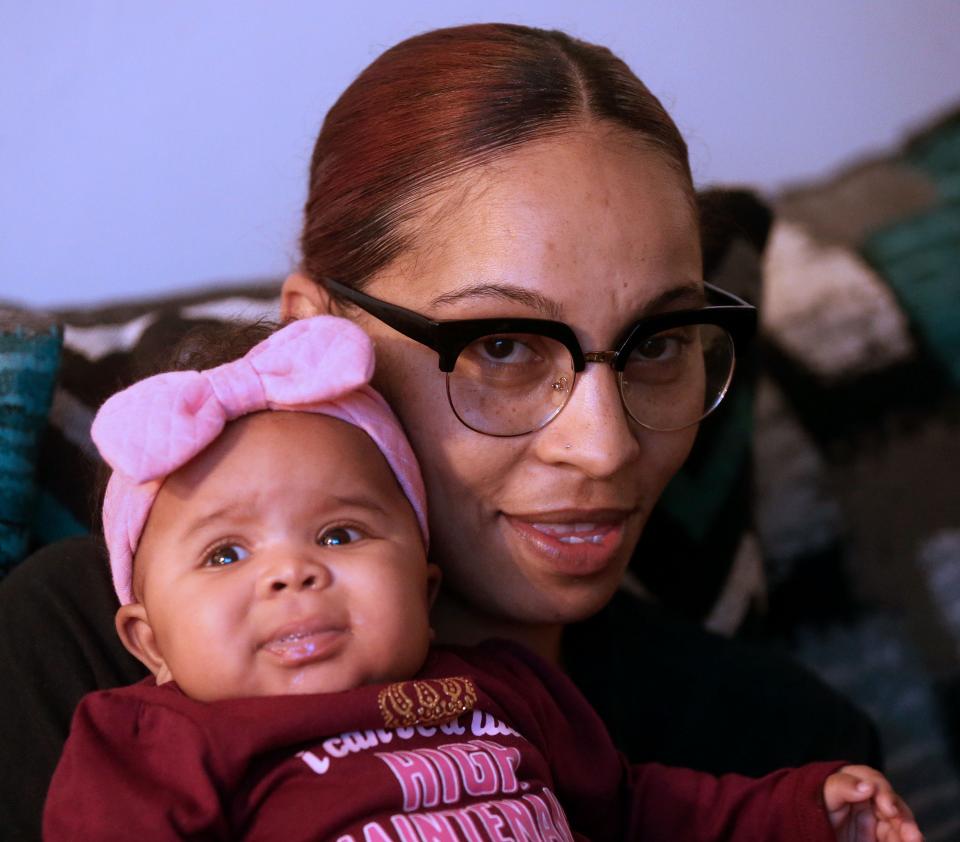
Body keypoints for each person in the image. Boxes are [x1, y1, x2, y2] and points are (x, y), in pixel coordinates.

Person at [0, 23, 881, 841]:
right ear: (320, 333)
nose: (604, 447)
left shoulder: (782, 749)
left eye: (658, 343)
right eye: (501, 345)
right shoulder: (82, 650)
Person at [45, 316, 921, 841]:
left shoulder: (498, 687)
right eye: (226, 554)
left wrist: (800, 808)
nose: (294, 574)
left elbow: (642, 808)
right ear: (147, 640)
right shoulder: (154, 743)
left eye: (341, 532)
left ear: (422, 589)